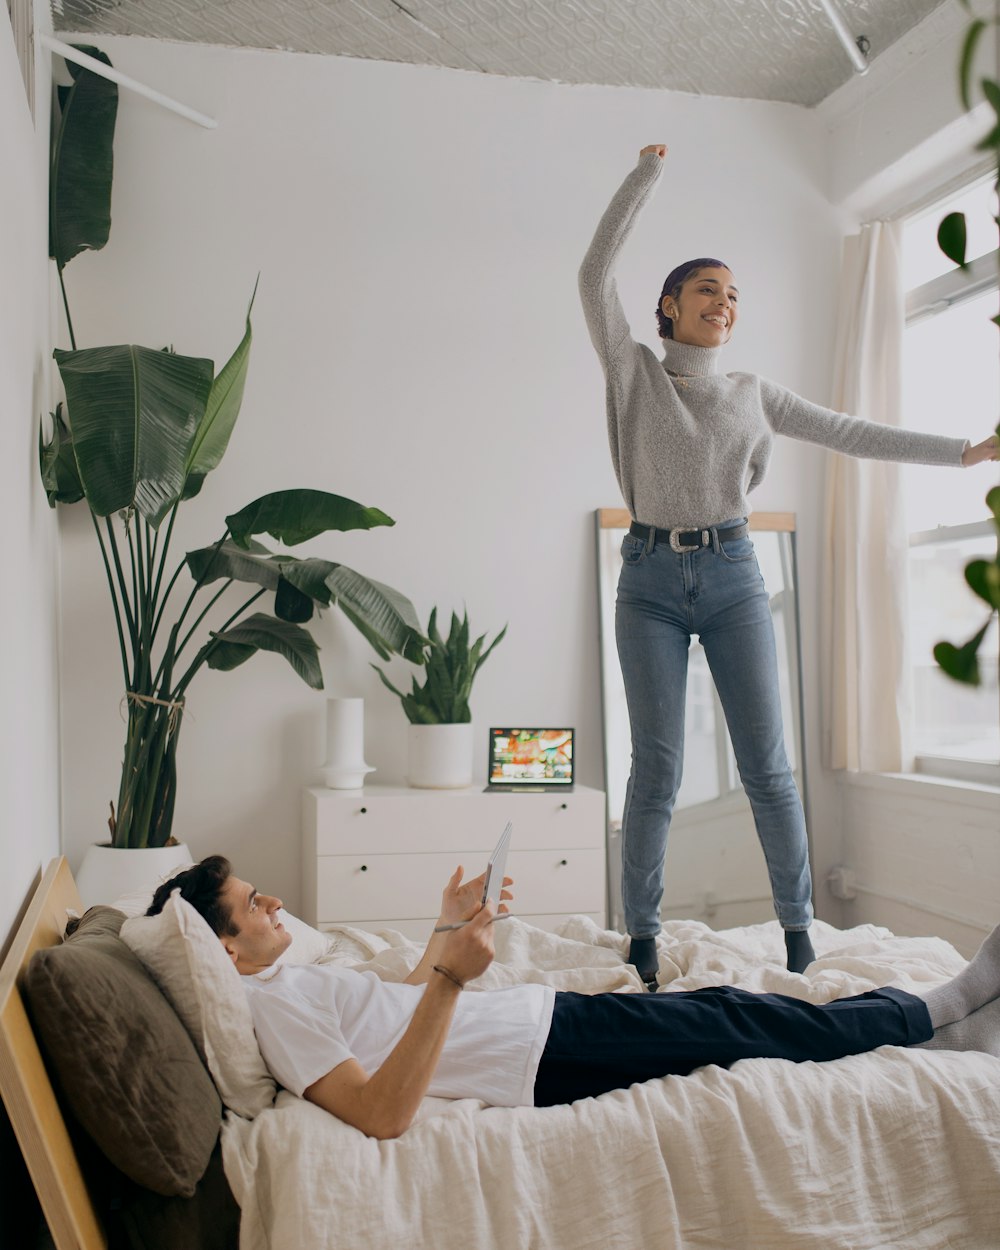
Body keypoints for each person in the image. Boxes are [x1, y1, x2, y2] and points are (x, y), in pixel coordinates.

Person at [578, 143, 1000, 984]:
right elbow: (594, 274)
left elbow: (852, 430)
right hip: (649, 582)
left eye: (734, 296)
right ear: (669, 305)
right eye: (708, 290)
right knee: (656, 766)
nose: (724, 305)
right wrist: (645, 177)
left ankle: (799, 933)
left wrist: (965, 451)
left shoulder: (753, 393)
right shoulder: (630, 372)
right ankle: (645, 939)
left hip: (734, 575)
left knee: (769, 765)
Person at [148, 855, 1000, 1140]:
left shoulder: (289, 982)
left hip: (539, 1025)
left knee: (725, 1011)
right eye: (253, 904)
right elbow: (380, 1113)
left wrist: (446, 929)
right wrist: (452, 978)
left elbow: (391, 1016)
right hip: (541, 1055)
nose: (272, 904)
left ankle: (932, 1034)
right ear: (223, 947)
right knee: (735, 1019)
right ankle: (930, 1013)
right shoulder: (269, 1007)